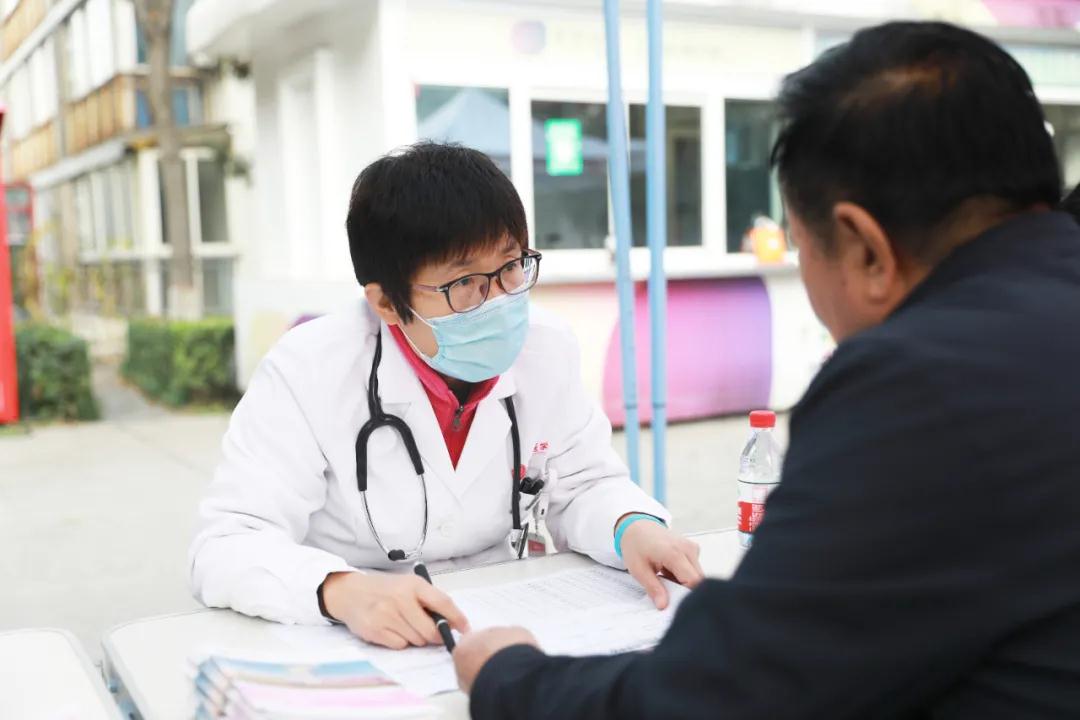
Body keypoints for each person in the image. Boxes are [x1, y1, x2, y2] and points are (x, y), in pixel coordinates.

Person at [453, 21, 1080, 719]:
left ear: (865, 250)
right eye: (463, 283)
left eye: (801, 246)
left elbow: (725, 695)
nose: (494, 299)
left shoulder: (921, 384)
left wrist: (506, 678)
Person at [188, 143, 702, 650]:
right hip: (358, 632)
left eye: (511, 266)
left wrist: (631, 527)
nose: (498, 299)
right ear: (386, 302)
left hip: (508, 617)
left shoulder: (546, 348)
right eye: (465, 282)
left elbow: (585, 484)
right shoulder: (309, 368)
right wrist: (339, 590)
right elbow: (226, 544)